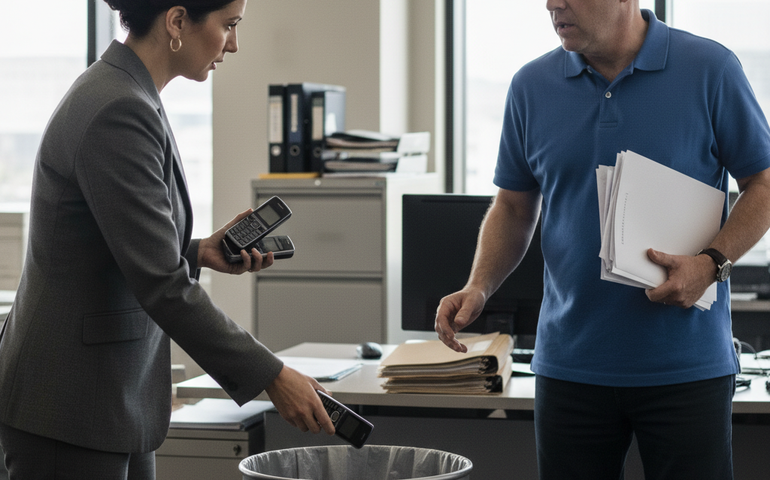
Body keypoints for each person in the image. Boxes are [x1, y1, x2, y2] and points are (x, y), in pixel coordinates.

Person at [435, 1, 770, 479]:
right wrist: (479, 286)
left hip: (686, 367)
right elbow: (513, 206)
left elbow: (764, 183)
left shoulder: (710, 69)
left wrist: (711, 263)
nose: (552, 4)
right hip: (569, 367)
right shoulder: (531, 86)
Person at [0, 1, 335, 478]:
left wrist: (197, 251)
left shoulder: (129, 92)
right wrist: (273, 376)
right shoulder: (118, 108)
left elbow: (119, 239)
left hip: (110, 398)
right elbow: (163, 285)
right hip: (70, 402)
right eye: (229, 25)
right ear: (177, 22)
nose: (233, 44)